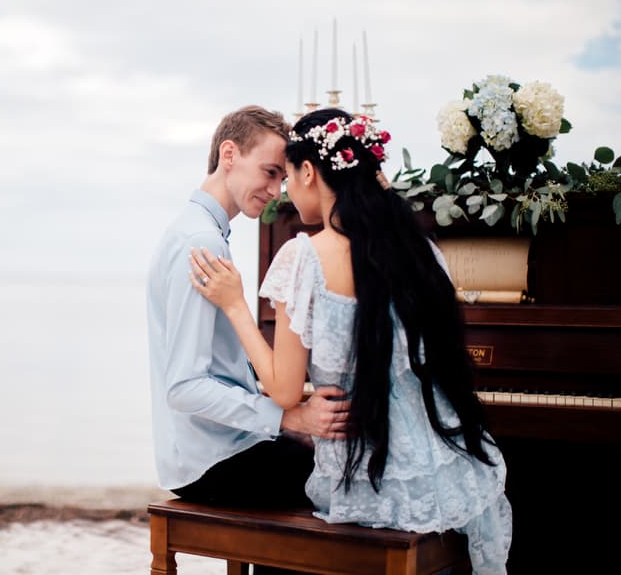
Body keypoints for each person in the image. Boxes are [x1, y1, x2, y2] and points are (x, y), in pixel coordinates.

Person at [188, 108, 513, 574]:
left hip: (368, 477)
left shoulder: (303, 256)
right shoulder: (418, 251)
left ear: (308, 171)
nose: (283, 191)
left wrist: (235, 305)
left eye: (287, 176)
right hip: (453, 471)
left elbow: (282, 391)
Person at [146, 105, 351, 574]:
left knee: (322, 455)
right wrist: (288, 416)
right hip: (211, 460)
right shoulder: (203, 243)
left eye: (283, 177)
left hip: (207, 450)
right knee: (345, 478)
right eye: (270, 172)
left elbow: (217, 368)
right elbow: (184, 387)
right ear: (229, 154)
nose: (277, 191)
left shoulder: (196, 231)